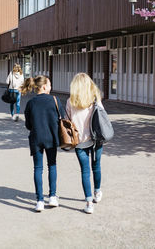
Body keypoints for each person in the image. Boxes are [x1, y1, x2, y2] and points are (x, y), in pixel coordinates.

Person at [22, 75, 64, 212]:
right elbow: (61, 119)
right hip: (51, 138)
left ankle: (39, 200)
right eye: (50, 84)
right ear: (44, 86)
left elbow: (28, 124)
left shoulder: (31, 103)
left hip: (36, 138)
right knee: (52, 165)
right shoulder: (55, 100)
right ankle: (52, 196)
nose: (51, 87)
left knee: (38, 168)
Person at [65, 73, 104, 214]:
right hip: (96, 139)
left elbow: (67, 121)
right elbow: (102, 115)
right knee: (96, 166)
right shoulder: (94, 99)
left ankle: (88, 203)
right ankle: (97, 192)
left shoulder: (70, 101)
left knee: (85, 171)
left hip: (79, 141)